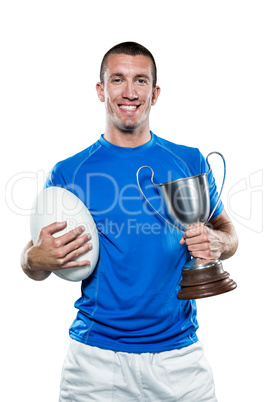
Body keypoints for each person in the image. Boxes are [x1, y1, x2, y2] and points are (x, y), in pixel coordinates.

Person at [21, 42, 238, 401]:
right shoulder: (69, 171)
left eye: (140, 81)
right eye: (117, 79)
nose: (129, 92)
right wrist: (35, 259)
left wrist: (219, 244)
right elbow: (32, 259)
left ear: (154, 93)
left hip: (179, 360)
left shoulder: (189, 160)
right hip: (94, 362)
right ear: (100, 89)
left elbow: (227, 233)